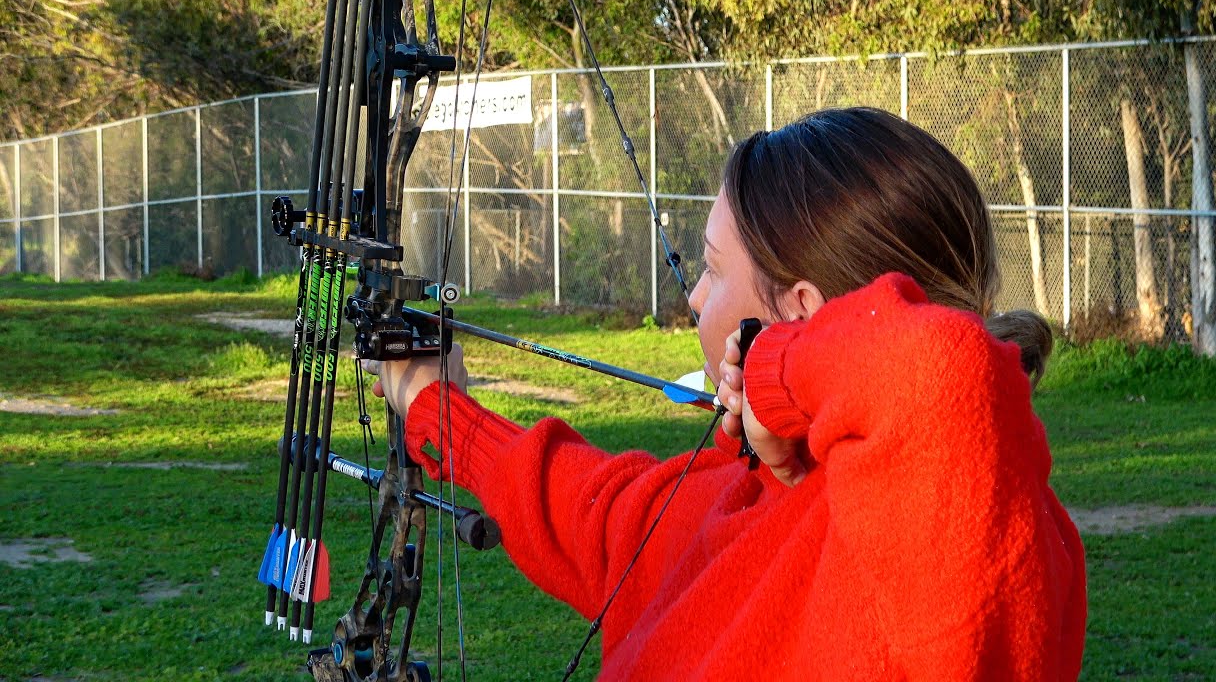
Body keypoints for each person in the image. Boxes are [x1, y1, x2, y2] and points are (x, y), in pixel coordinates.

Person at [370, 107, 1087, 680]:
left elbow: (942, 372)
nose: (693, 299)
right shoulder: (741, 488)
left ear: (802, 313)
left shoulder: (950, 518)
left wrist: (772, 372)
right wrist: (440, 410)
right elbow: (597, 513)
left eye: (712, 270)